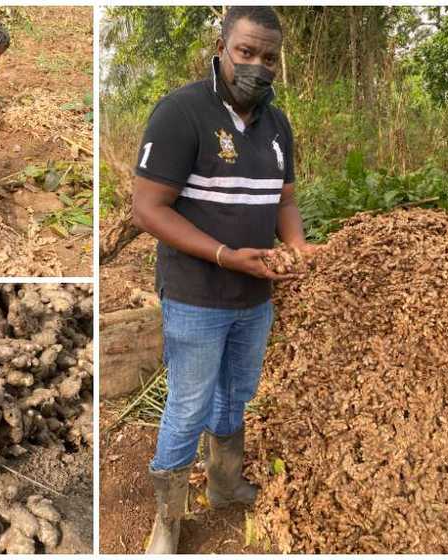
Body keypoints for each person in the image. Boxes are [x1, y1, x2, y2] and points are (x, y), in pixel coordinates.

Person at [131, 6, 319, 554]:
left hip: (255, 294)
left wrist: (299, 247)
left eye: (269, 58)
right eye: (246, 52)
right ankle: (167, 518)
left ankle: (224, 482)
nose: (257, 67)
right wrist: (223, 254)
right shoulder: (181, 112)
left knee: (236, 395)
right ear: (221, 46)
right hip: (197, 294)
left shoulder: (276, 123)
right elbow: (148, 209)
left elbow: (284, 197)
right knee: (189, 404)